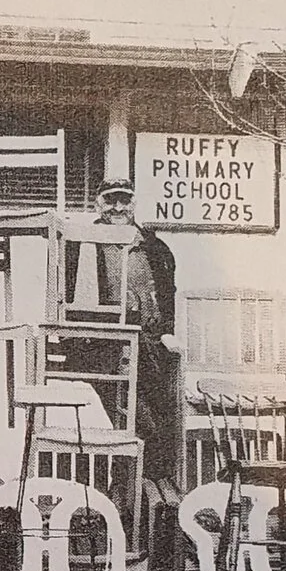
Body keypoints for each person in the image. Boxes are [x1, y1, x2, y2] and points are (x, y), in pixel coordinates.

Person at [68, 179, 184, 489]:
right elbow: (66, 296)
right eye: (110, 200)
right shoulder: (81, 243)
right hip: (100, 342)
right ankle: (125, 477)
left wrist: (167, 333)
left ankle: (150, 483)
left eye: (125, 201)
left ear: (134, 204)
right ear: (97, 204)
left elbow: (167, 296)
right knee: (123, 409)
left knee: (158, 403)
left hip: (148, 340)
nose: (118, 208)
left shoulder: (154, 247)